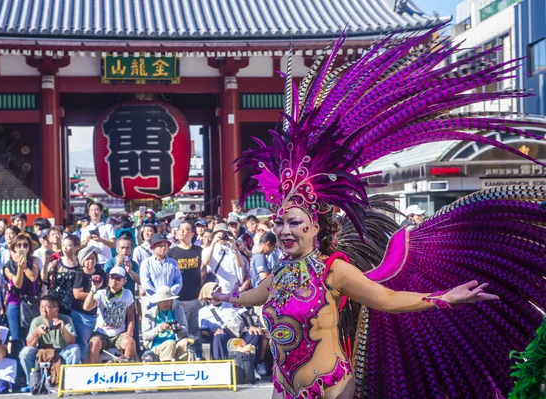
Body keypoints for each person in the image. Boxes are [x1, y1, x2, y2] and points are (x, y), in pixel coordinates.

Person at [208, 30, 546, 399]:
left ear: (314, 225)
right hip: (283, 391)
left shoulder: (333, 270)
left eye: (293, 222)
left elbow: (385, 300)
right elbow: (258, 295)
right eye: (279, 222)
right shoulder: (281, 272)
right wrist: (227, 299)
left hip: (332, 391)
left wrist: (443, 298)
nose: (284, 230)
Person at [19, 295, 81, 392]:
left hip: (61, 351)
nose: (44, 310)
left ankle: (69, 382)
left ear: (55, 309)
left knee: (75, 349)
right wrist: (36, 334)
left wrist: (62, 328)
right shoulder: (36, 321)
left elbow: (72, 341)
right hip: (43, 352)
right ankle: (32, 383)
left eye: (47, 307)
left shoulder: (65, 319)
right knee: (25, 352)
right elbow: (29, 345)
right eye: (41, 307)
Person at [84, 267, 137, 363]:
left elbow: (131, 316)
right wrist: (93, 289)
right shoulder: (101, 293)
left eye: (118, 278)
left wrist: (129, 333)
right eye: (112, 277)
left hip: (119, 333)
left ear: (124, 281)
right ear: (108, 279)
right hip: (101, 332)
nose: (114, 281)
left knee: (130, 342)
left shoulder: (127, 294)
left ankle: (125, 369)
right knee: (94, 343)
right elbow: (86, 307)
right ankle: (95, 372)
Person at [198, 282, 261, 361]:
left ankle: (251, 362)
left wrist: (252, 326)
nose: (219, 294)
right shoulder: (203, 311)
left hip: (239, 333)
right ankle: (220, 364)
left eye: (219, 291)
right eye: (216, 293)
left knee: (255, 333)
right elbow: (203, 330)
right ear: (208, 298)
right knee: (218, 337)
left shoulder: (231, 303)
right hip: (223, 336)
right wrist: (213, 331)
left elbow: (245, 314)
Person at [2, 233, 41, 361]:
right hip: (15, 302)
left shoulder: (34, 260)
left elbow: (33, 277)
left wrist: (24, 267)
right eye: (18, 245)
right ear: (13, 248)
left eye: (25, 245)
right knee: (16, 337)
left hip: (30, 302)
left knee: (29, 335)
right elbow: (17, 284)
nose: (22, 247)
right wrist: (19, 267)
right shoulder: (8, 266)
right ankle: (17, 372)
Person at [167, 222, 203, 338]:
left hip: (196, 298)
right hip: (179, 299)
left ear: (192, 234)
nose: (183, 232)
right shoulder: (171, 252)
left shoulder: (198, 250)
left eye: (186, 229)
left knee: (196, 333)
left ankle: (196, 355)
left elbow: (205, 269)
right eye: (180, 229)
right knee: (180, 332)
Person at [71, 247, 106, 361]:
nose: (91, 261)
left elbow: (105, 291)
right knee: (83, 343)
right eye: (87, 259)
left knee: (94, 343)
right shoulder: (79, 274)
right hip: (81, 315)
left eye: (93, 258)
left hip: (97, 314)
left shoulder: (100, 272)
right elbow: (77, 294)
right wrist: (94, 294)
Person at [142, 286, 189, 361]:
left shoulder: (178, 310)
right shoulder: (149, 313)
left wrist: (179, 328)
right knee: (170, 343)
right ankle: (166, 367)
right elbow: (145, 336)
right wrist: (159, 328)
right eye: (163, 301)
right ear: (158, 302)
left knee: (185, 342)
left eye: (169, 300)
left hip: (175, 342)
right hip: (157, 346)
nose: (166, 303)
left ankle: (182, 368)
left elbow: (186, 332)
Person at [202, 224, 250, 294]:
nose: (222, 236)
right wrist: (213, 243)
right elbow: (206, 261)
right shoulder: (207, 250)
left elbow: (240, 264)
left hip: (232, 289)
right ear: (214, 235)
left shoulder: (232, 249)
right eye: (220, 234)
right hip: (216, 289)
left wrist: (233, 246)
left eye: (225, 234)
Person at [46, 236, 80, 315]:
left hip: (71, 301)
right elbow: (44, 276)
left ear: (76, 247)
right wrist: (46, 265)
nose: (65, 248)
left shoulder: (79, 263)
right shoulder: (57, 261)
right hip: (55, 299)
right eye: (63, 245)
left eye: (69, 245)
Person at [141, 234, 182, 298]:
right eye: (160, 246)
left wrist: (169, 293)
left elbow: (178, 281)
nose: (163, 248)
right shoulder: (146, 263)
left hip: (170, 300)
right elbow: (146, 284)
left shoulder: (173, 262)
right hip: (153, 301)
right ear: (153, 247)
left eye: (165, 245)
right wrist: (159, 295)